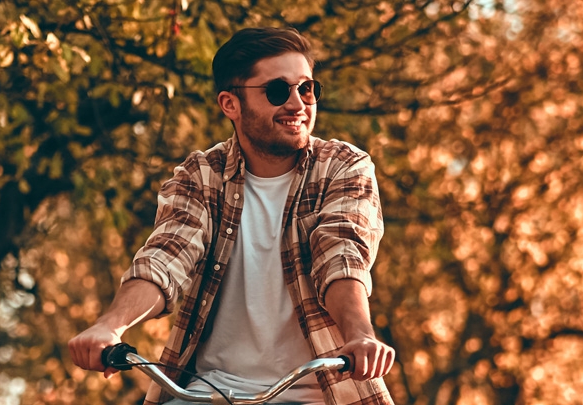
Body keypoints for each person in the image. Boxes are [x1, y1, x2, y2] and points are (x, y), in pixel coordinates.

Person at [66, 27, 395, 405]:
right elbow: (167, 256)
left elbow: (340, 256)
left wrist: (360, 336)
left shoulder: (342, 167)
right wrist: (109, 326)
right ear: (230, 104)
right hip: (208, 392)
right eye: (277, 91)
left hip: (317, 392)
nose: (297, 104)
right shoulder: (201, 175)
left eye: (306, 89)